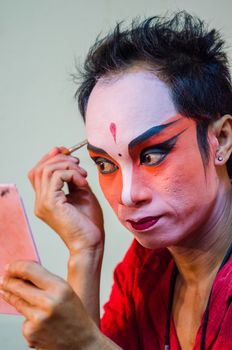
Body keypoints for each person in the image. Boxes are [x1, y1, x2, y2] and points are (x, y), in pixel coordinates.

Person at [0, 11, 232, 350]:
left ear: (221, 139)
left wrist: (87, 345)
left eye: (152, 155)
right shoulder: (146, 266)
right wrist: (84, 250)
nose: (127, 195)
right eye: (105, 164)